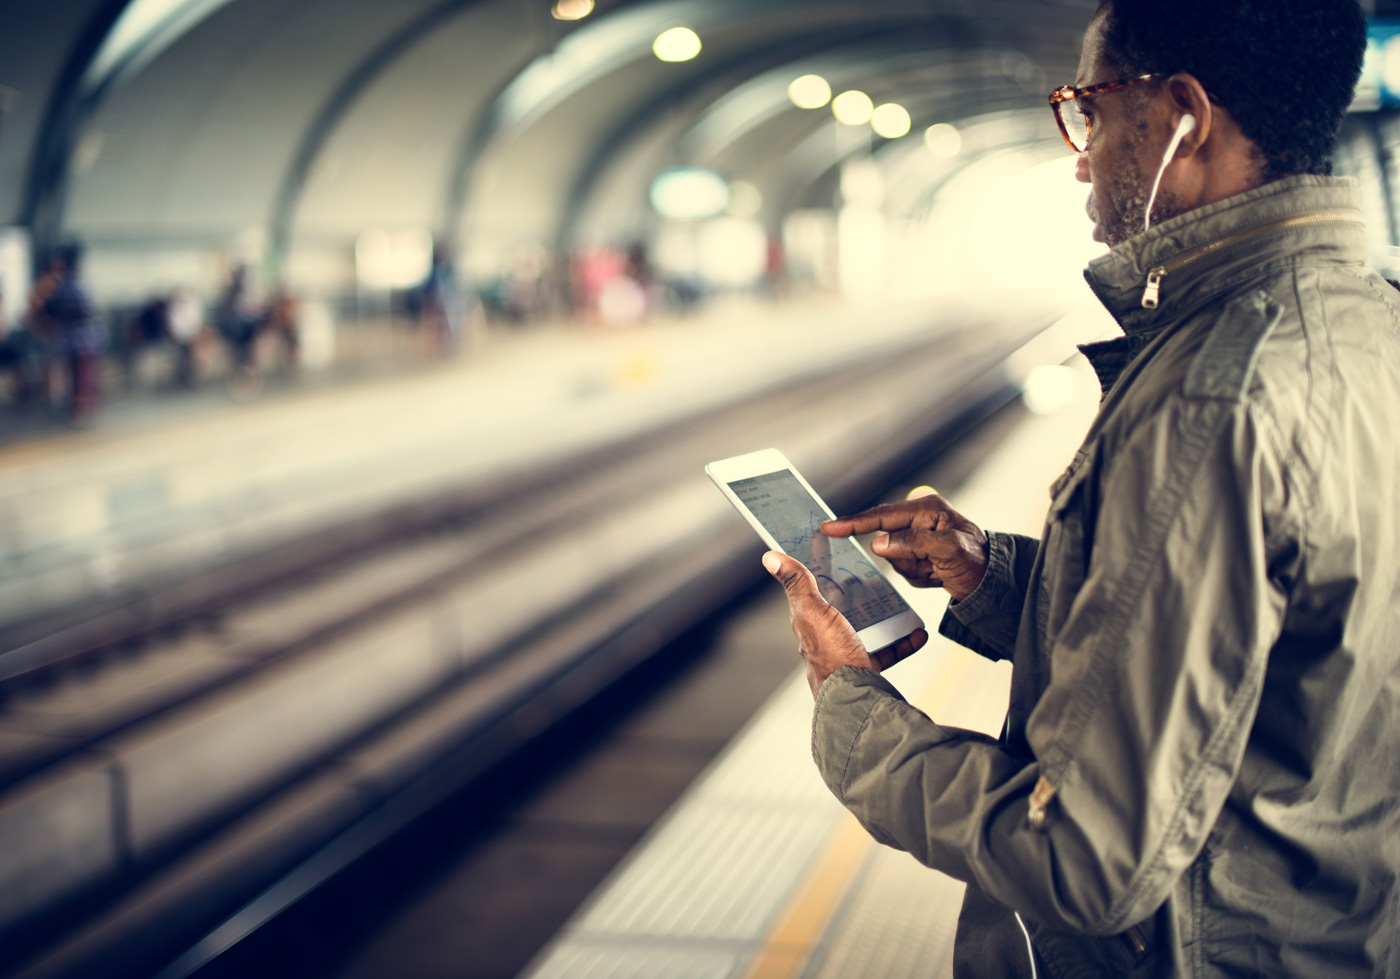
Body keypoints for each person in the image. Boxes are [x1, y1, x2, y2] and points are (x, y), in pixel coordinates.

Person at [762, 1, 1398, 976]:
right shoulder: (1365, 321)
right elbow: (1262, 642)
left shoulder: (1213, 389)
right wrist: (990, 576)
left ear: (1180, 116)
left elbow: (1084, 858)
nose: (1078, 155)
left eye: (1089, 112)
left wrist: (848, 701)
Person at [29, 244, 103, 424]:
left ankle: (81, 409)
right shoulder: (57, 286)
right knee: (71, 375)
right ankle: (72, 407)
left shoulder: (72, 285)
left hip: (79, 339)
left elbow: (85, 310)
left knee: (82, 375)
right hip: (67, 338)